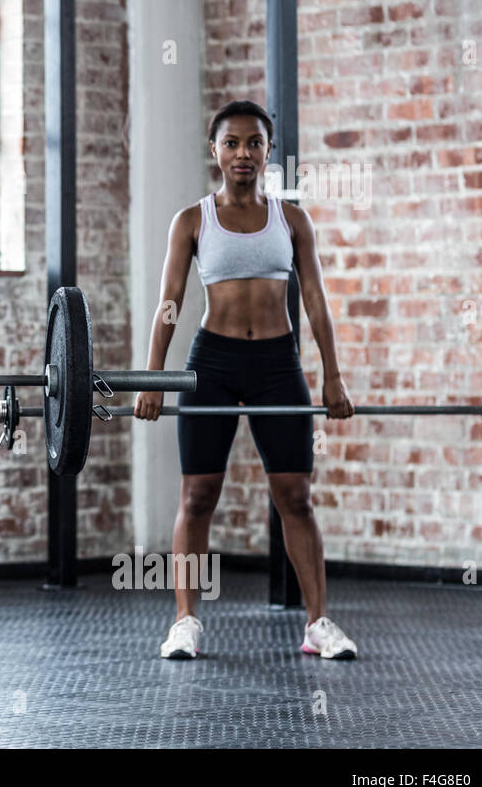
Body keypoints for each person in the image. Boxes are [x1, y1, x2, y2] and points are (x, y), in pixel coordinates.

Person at [134, 100, 359, 661]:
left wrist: (333, 377)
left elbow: (315, 301)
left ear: (268, 151)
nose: (243, 153)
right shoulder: (192, 220)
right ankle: (185, 621)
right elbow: (170, 303)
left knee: (295, 497)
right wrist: (153, 377)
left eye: (254, 143)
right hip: (212, 363)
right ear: (214, 151)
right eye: (231, 143)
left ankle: (318, 625)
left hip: (278, 365)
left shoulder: (292, 220)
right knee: (198, 494)